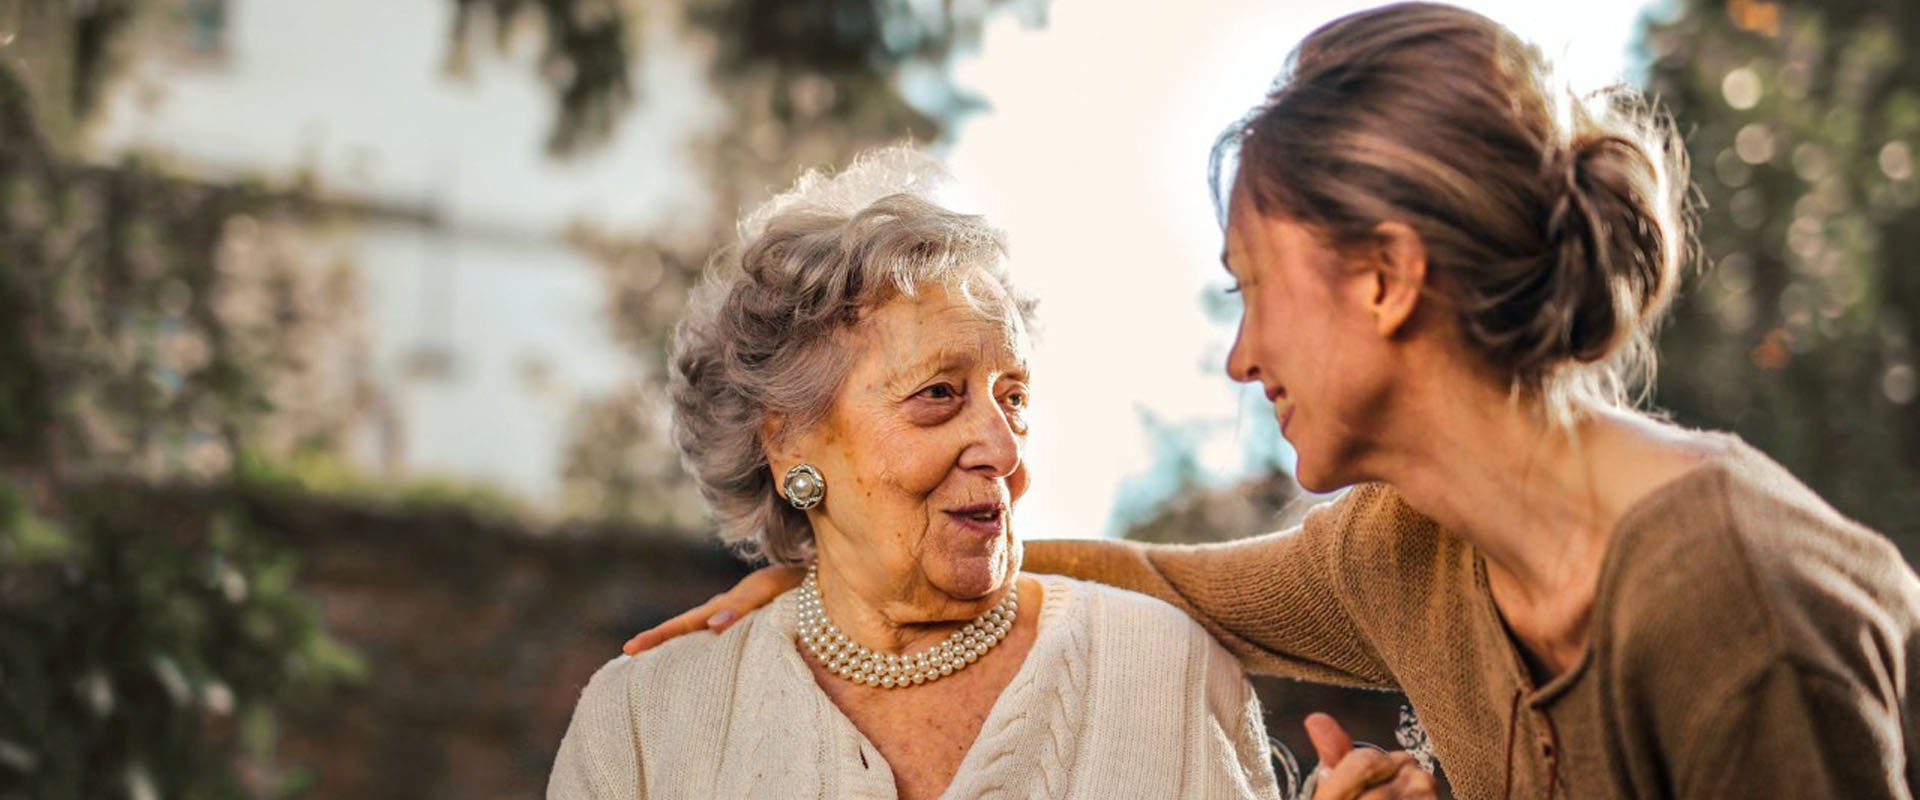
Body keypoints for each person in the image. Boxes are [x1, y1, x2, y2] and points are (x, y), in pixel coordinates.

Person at [621, 4, 1920, 799]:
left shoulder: (1728, 600)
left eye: (1252, 289)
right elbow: (1157, 584)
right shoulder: (1405, 551)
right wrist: (848, 570)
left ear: (1386, 278)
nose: (1241, 357)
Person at [548, 147, 1435, 800]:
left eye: (1012, 397)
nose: (1005, 451)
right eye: (938, 394)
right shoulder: (646, 723)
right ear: (788, 446)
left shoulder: (1161, 669)